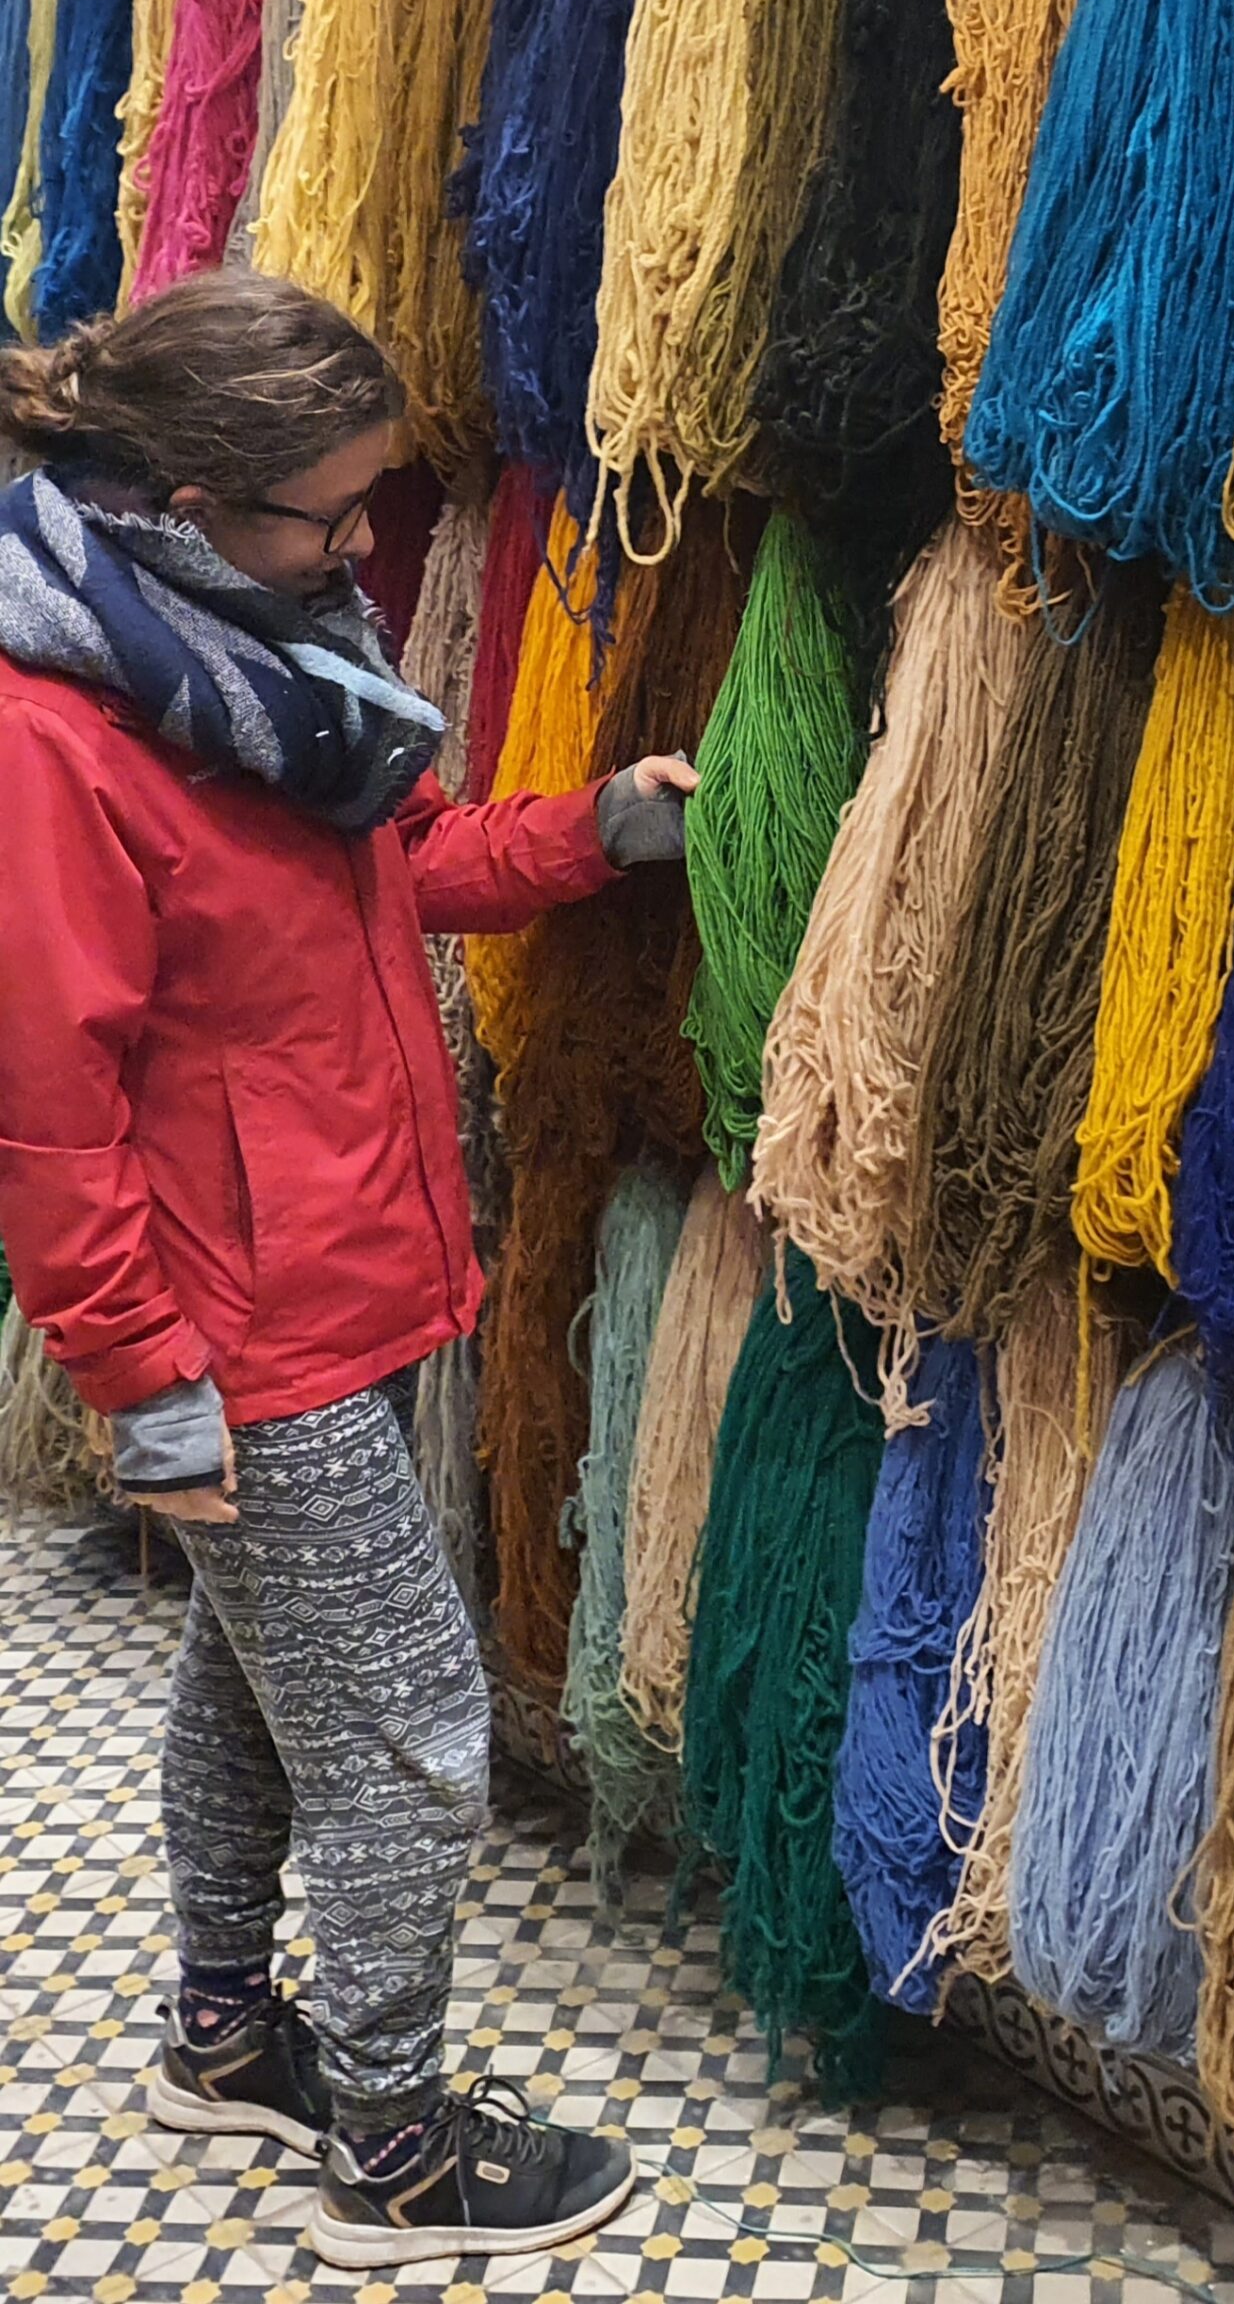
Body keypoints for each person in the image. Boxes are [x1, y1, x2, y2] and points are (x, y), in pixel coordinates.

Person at [0, 270, 695, 2271]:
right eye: (333, 515)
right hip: (247, 1331)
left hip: (338, 1282)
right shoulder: (63, 734)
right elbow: (50, 1108)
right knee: (407, 1733)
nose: (364, 549)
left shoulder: (262, 661)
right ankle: (389, 2140)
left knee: (247, 1668)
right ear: (199, 497)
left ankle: (225, 2029)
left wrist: (587, 836)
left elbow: (404, 867)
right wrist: (145, 1381)